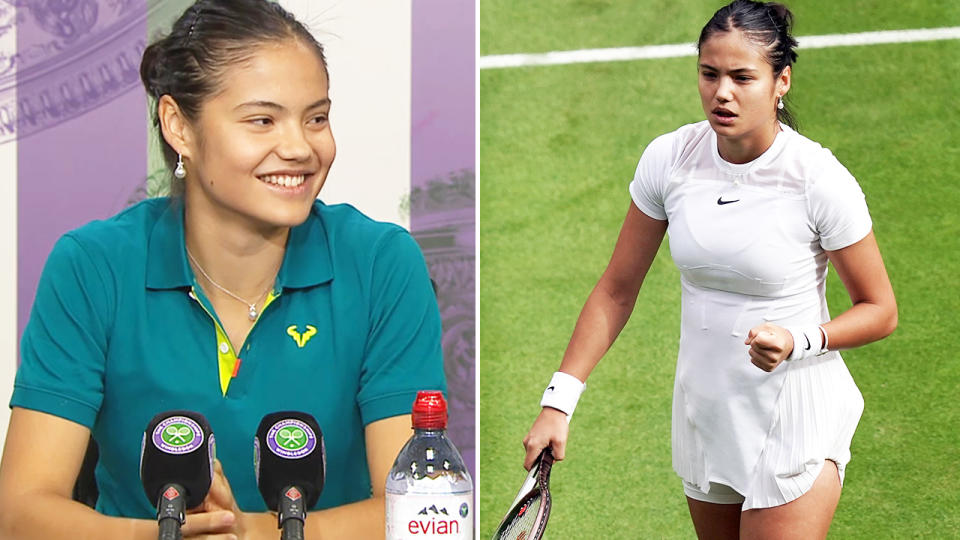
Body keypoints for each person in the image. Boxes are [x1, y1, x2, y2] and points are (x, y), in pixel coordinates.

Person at [0, 1, 444, 538]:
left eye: (317, 118)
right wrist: (165, 536)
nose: (300, 147)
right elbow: (21, 511)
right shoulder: (92, 267)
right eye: (262, 120)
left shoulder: (382, 264)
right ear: (178, 127)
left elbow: (419, 512)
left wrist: (251, 533)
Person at [521, 1, 897, 538]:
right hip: (707, 413)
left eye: (743, 77)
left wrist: (799, 339)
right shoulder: (669, 159)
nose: (722, 92)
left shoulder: (818, 178)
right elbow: (616, 291)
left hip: (794, 413)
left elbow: (880, 310)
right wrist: (558, 403)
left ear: (780, 81)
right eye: (709, 74)